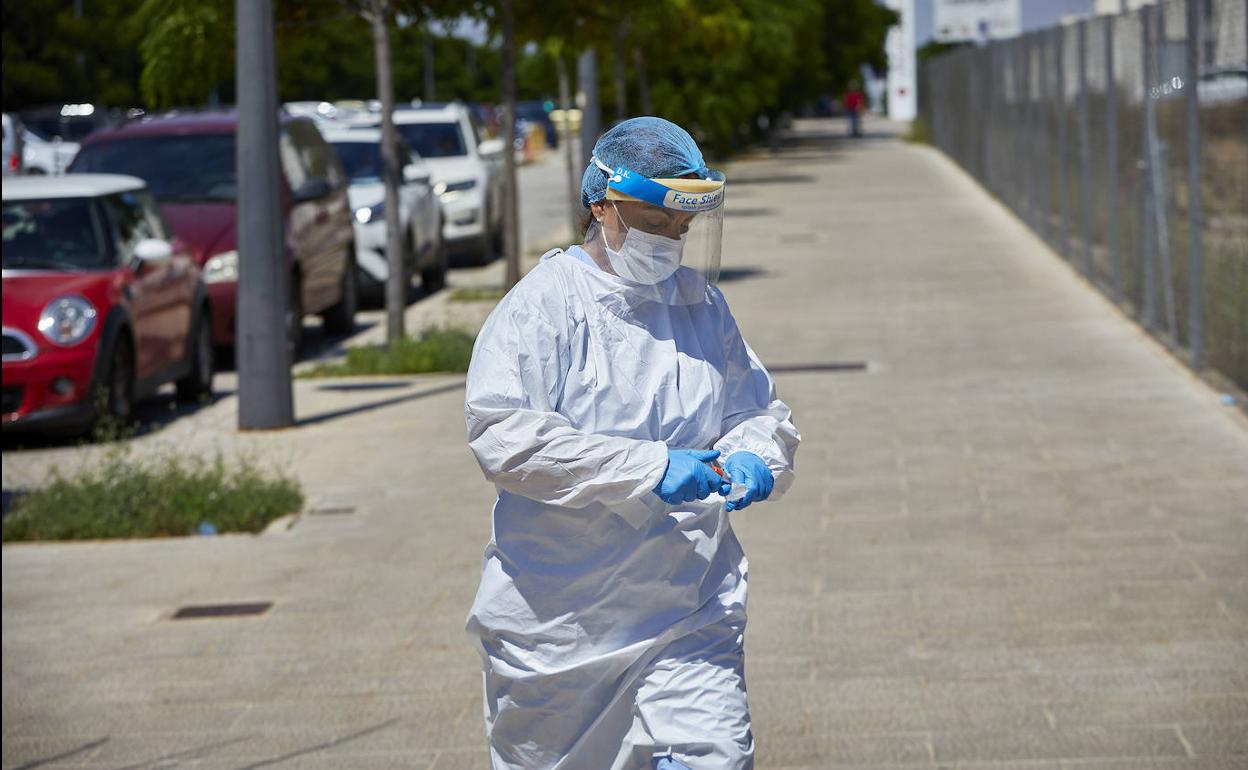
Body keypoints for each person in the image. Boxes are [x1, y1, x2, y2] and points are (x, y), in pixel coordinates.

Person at [463, 116, 800, 770]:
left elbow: (753, 406)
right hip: (561, 629)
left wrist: (759, 450)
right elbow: (504, 437)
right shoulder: (543, 307)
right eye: (655, 220)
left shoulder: (699, 305)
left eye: (683, 225)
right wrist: (647, 468)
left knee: (717, 755)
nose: (672, 238)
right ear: (602, 206)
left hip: (687, 606)